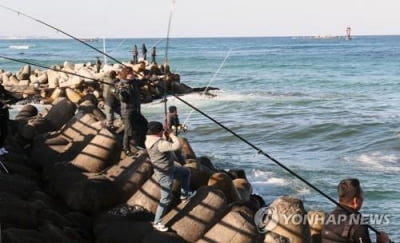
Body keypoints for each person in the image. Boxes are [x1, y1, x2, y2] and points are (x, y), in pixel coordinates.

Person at [145, 121, 195, 232]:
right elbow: (177, 146)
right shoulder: (160, 144)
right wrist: (171, 134)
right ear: (158, 132)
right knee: (166, 198)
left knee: (186, 172)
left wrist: (164, 133)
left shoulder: (148, 139)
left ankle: (184, 196)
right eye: (161, 130)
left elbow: (160, 139)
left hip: (168, 169)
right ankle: (157, 222)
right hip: (165, 173)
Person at [321, 178, 390, 243]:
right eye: (362, 197)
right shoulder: (358, 226)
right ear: (355, 201)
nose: (363, 199)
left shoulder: (326, 218)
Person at [117, 66, 148, 155]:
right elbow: (124, 99)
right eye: (131, 73)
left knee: (144, 125)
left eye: (133, 73)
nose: (133, 74)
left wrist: (146, 79)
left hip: (136, 110)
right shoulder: (123, 85)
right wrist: (122, 92)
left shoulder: (133, 82)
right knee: (128, 130)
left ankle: (140, 143)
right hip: (127, 112)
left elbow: (141, 82)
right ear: (126, 75)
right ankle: (126, 149)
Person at [0, 84, 10, 156]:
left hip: (4, 114)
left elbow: (8, 94)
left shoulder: (1, 88)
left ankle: (1, 147)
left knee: (5, 132)